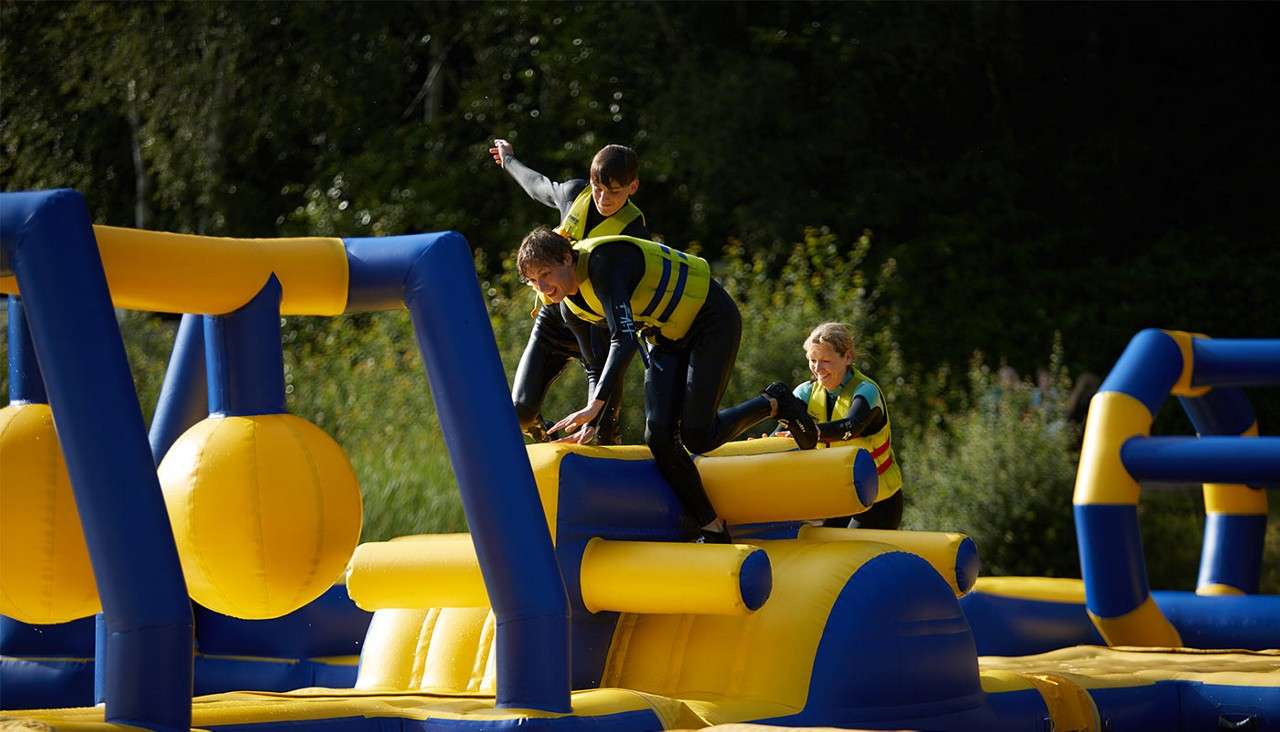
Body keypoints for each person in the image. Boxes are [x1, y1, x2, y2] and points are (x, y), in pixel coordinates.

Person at [516, 227, 819, 543]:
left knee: (697, 435)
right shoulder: (568, 307)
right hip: (666, 335)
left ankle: (775, 401)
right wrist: (594, 419)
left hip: (710, 319)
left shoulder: (603, 263)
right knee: (659, 437)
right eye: (532, 281)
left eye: (546, 274)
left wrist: (596, 405)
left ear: (567, 257)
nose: (541, 287)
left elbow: (624, 339)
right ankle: (711, 526)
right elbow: (596, 365)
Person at [489, 140, 649, 443]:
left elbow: (636, 307)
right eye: (598, 188)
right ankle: (543, 434)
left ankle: (609, 445)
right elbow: (539, 186)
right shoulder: (576, 194)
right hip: (556, 320)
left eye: (614, 192)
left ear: (632, 187)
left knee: (599, 432)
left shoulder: (635, 234)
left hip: (600, 332)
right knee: (520, 413)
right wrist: (509, 160)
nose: (603, 199)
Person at [789, 322, 904, 530]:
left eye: (825, 361)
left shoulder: (867, 391)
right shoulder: (805, 393)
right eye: (812, 360)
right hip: (838, 499)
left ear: (848, 358)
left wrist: (812, 432)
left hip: (877, 500)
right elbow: (783, 433)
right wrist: (766, 443)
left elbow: (851, 427)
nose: (817, 369)